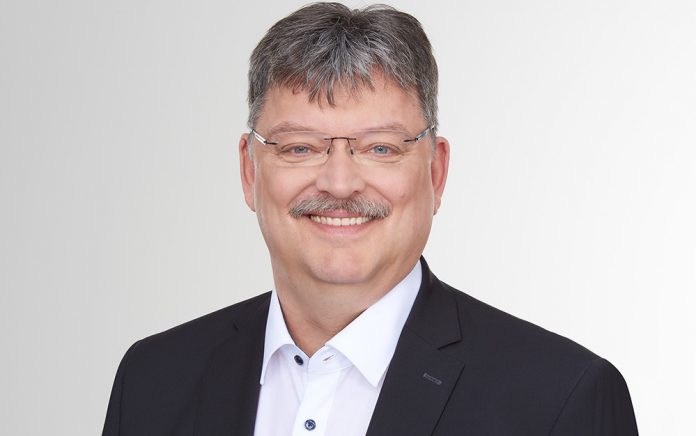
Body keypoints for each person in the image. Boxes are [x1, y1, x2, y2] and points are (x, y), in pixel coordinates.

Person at [102, 3, 638, 435]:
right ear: (249, 170)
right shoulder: (154, 381)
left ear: (436, 172)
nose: (339, 184)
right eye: (299, 147)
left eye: (381, 148)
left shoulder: (560, 399)